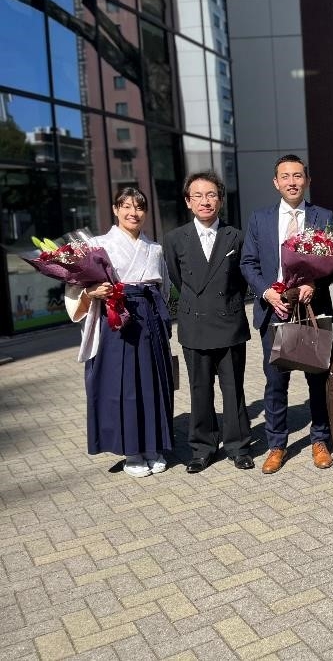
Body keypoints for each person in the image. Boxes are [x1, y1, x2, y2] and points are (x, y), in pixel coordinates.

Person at [65, 187, 174, 478]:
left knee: (151, 382)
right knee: (122, 385)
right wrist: (92, 292)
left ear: (145, 212)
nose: (132, 213)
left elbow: (163, 287)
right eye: (126, 206)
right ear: (115, 210)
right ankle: (132, 452)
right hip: (116, 318)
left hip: (149, 317)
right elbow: (76, 288)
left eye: (139, 207)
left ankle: (153, 446)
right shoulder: (98, 245)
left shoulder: (154, 248)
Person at [239, 154, 333, 474]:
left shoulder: (323, 216)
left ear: (307, 180)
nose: (292, 182)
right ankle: (277, 445)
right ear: (275, 182)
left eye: (297, 176)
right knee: (275, 384)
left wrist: (314, 282)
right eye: (285, 176)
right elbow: (248, 263)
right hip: (275, 309)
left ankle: (320, 440)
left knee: (317, 380)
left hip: (310, 308)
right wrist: (266, 292)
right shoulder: (260, 219)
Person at [164, 170, 253, 473]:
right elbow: (178, 278)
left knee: (233, 389)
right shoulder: (174, 239)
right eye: (198, 196)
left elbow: (241, 281)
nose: (205, 201)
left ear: (221, 200)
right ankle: (202, 448)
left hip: (229, 321)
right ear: (188, 201)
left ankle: (239, 446)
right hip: (195, 323)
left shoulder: (236, 236)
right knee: (199, 389)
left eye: (211, 194)